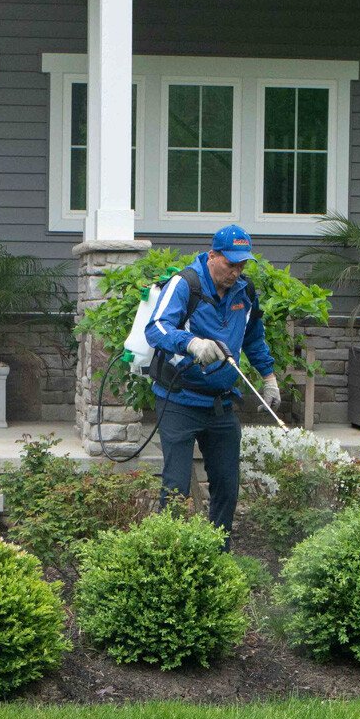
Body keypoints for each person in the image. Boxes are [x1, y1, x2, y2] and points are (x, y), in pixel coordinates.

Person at [143, 225, 279, 549]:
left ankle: (216, 559)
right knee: (176, 488)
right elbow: (156, 328)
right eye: (230, 264)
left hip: (220, 404)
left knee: (227, 486)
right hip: (178, 399)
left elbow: (253, 338)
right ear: (213, 255)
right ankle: (169, 560)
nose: (236, 271)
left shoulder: (244, 292)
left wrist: (269, 378)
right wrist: (191, 344)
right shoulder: (184, 284)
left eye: (242, 265)